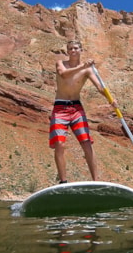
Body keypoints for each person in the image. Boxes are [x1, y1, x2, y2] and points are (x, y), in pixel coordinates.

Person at [49, 39, 117, 183]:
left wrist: (110, 99)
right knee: (59, 144)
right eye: (70, 49)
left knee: (86, 142)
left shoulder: (87, 69)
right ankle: (63, 181)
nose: (73, 51)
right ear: (67, 51)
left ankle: (96, 181)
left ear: (81, 50)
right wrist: (82, 67)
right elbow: (63, 74)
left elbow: (99, 87)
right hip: (60, 108)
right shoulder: (61, 63)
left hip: (76, 108)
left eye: (76, 48)